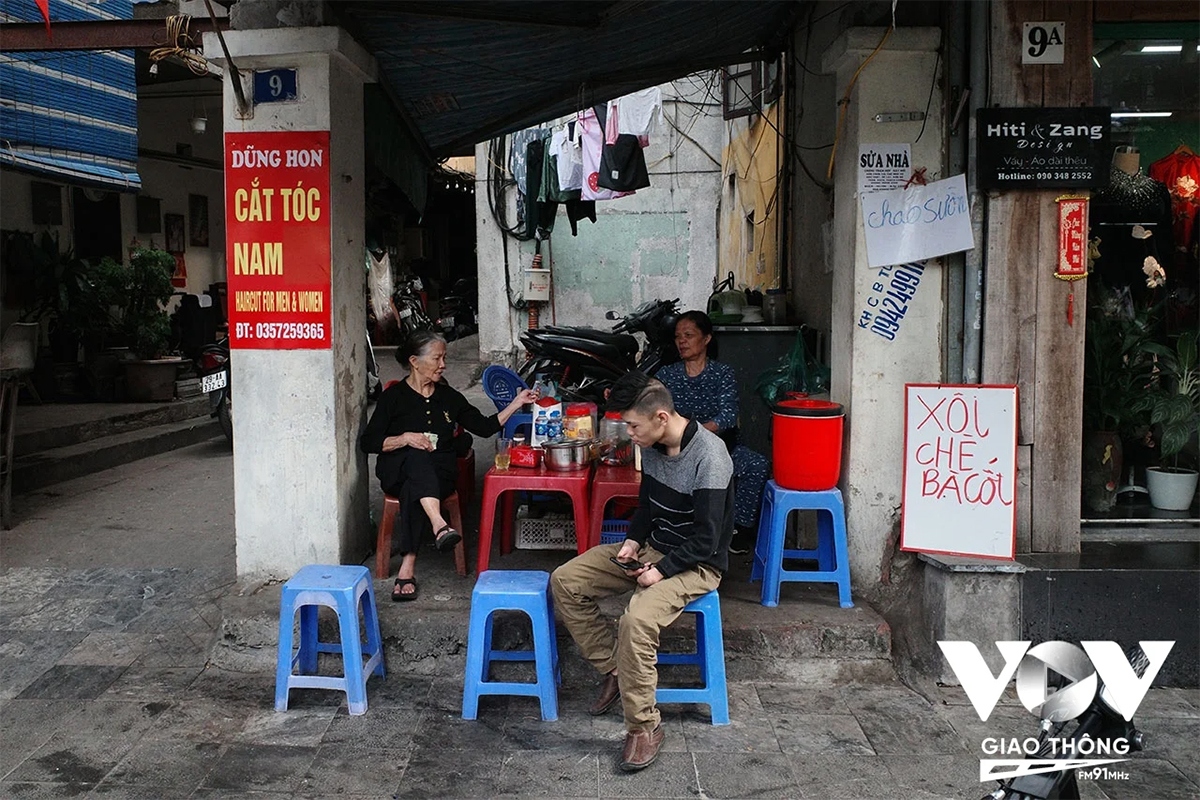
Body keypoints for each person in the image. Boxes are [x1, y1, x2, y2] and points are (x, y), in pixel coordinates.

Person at [550, 371, 734, 773]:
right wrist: (633, 542)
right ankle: (617, 668)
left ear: (662, 418)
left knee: (636, 618)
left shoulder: (711, 456)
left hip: (696, 564)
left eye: (633, 424)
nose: (627, 432)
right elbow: (648, 507)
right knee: (566, 580)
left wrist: (662, 571)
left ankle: (643, 727)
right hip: (654, 550)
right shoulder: (650, 446)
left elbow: (708, 539)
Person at [360, 331, 535, 601]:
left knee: (414, 485)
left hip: (438, 474)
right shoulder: (393, 397)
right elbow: (369, 442)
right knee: (415, 455)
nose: (443, 364)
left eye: (444, 358)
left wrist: (516, 403)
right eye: (437, 358)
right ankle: (439, 524)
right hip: (396, 468)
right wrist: (405, 438)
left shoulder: (448, 397)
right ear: (415, 362)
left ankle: (408, 566)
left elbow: (485, 427)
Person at [655, 310, 770, 551]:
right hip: (679, 452)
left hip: (719, 448)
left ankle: (737, 530)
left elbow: (728, 416)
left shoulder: (722, 373)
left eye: (689, 335)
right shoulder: (667, 375)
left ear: (706, 339)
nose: (682, 341)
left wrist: (694, 432)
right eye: (678, 336)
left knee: (756, 465)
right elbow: (650, 403)